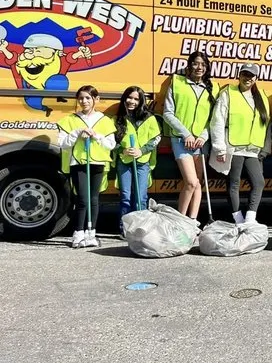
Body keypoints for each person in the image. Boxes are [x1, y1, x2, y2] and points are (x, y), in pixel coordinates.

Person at [209, 63, 270, 225]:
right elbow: (217, 121)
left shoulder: (261, 97)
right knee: (234, 183)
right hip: (233, 147)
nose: (247, 78)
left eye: (251, 75)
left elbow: (265, 125)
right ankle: (238, 219)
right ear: (239, 75)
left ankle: (250, 218)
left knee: (258, 182)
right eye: (244, 74)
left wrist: (264, 149)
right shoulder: (228, 93)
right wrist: (219, 148)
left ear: (256, 78)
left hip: (252, 149)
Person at [57, 85, 117, 248]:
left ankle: (91, 233)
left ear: (96, 99)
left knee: (94, 199)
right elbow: (62, 143)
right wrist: (77, 133)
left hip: (98, 162)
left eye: (88, 98)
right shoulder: (71, 119)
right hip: (79, 162)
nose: (84, 101)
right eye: (81, 98)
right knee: (82, 199)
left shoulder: (104, 120)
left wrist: (96, 136)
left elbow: (110, 144)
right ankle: (78, 233)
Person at [163, 51, 217, 222]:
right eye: (195, 63)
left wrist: (203, 136)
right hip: (181, 140)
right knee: (191, 182)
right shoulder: (177, 83)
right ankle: (180, 220)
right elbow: (168, 113)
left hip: (201, 142)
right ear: (189, 65)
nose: (199, 67)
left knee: (198, 183)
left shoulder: (213, 87)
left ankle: (192, 221)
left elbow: (214, 118)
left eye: (203, 64)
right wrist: (186, 134)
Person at [114, 86, 161, 234]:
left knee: (141, 197)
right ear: (124, 99)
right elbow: (110, 141)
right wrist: (122, 150)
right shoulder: (117, 119)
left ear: (141, 101)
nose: (132, 101)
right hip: (124, 162)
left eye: (136, 99)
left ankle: (141, 228)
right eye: (129, 98)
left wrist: (142, 150)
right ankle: (125, 228)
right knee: (125, 197)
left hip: (142, 162)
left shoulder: (149, 118)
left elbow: (156, 138)